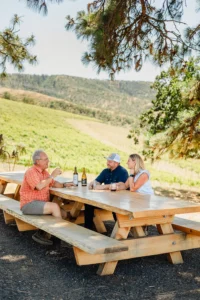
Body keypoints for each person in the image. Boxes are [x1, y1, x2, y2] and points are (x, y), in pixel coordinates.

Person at [20, 149, 74, 245]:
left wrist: (65, 184)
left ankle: (42, 234)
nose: (48, 161)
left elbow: (54, 183)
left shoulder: (45, 173)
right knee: (54, 207)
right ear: (38, 161)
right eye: (45, 159)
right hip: (29, 204)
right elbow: (39, 186)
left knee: (64, 214)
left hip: (41, 204)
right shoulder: (31, 172)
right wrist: (52, 175)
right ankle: (63, 238)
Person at [85, 153, 128, 230]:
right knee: (88, 203)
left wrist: (102, 187)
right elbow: (97, 181)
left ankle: (120, 229)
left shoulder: (123, 172)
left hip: (118, 201)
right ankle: (87, 229)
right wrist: (94, 184)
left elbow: (120, 187)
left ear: (116, 163)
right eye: (107, 161)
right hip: (106, 199)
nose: (107, 163)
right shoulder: (105, 171)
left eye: (110, 161)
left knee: (116, 207)